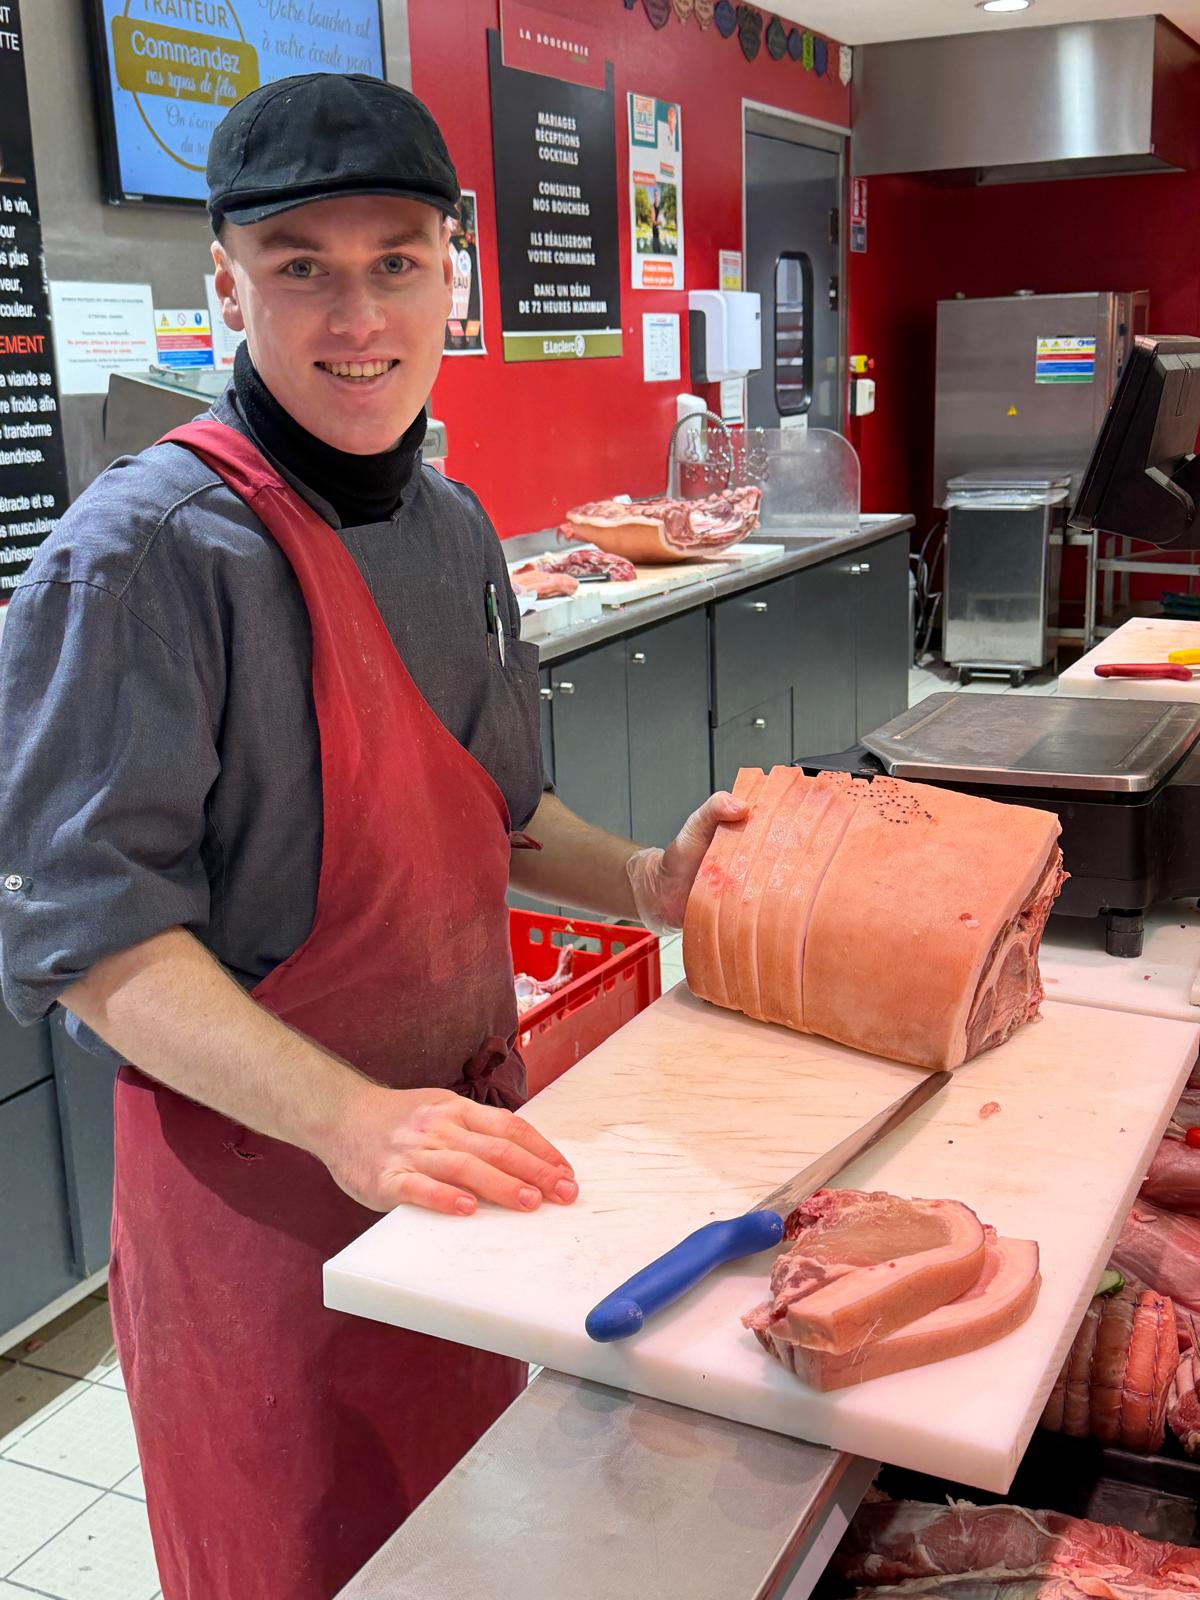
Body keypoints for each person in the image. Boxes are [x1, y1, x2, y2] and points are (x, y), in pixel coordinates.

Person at [0, 74, 744, 1600]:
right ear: (227, 282)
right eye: (302, 268)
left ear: (454, 276)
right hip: (261, 1213)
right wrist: (351, 1121)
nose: (357, 315)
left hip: (459, 1165)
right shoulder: (139, 557)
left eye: (396, 260)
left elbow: (504, 816)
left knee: (463, 1544)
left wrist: (655, 886)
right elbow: (95, 944)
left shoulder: (454, 528)